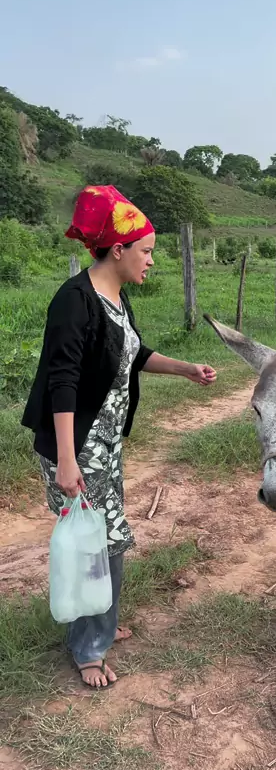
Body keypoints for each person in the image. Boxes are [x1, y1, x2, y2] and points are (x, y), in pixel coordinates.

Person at [22, 185, 217, 689]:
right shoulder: (75, 302)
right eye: (146, 251)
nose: (151, 261)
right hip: (78, 446)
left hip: (105, 445)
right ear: (117, 249)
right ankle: (89, 647)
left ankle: (99, 622)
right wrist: (68, 460)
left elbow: (135, 353)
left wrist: (186, 369)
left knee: (104, 538)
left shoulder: (114, 297)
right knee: (98, 542)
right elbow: (62, 382)